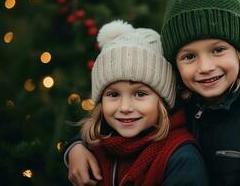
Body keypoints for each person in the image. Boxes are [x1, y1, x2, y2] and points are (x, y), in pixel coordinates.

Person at [64, 0, 240, 185]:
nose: (205, 67)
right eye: (189, 56)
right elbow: (115, 128)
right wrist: (75, 148)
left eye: (217, 50)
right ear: (175, 65)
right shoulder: (172, 102)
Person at [68, 20, 209, 186]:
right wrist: (74, 148)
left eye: (140, 94)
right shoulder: (95, 146)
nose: (125, 107)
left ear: (162, 101)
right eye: (113, 94)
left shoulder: (181, 158)